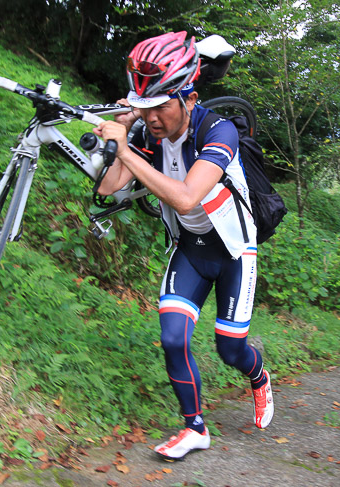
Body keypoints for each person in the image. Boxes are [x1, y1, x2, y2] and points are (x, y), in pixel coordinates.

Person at [94, 31, 273, 461]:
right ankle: (195, 428)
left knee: (229, 349)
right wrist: (120, 134)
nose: (151, 117)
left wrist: (126, 149)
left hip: (233, 253)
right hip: (191, 248)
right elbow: (107, 188)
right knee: (173, 338)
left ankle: (258, 373)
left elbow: (186, 197)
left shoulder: (220, 131)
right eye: (144, 107)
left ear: (188, 98)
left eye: (160, 106)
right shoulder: (148, 135)